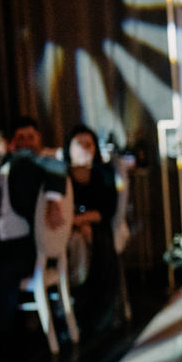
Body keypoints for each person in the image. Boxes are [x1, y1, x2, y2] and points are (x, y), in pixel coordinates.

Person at [0, 125, 67, 362]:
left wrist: (53, 200)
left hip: (22, 245)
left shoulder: (23, 165)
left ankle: (0, 341)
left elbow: (56, 165)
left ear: (8, 145)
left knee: (4, 271)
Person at [65, 124, 122, 331]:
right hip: (67, 228)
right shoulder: (61, 173)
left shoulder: (103, 172)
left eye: (88, 144)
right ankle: (72, 300)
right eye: (78, 144)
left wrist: (80, 220)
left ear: (95, 148)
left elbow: (106, 210)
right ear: (69, 148)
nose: (83, 149)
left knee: (90, 237)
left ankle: (91, 307)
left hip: (97, 225)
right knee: (77, 240)